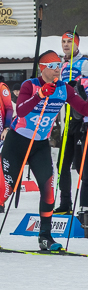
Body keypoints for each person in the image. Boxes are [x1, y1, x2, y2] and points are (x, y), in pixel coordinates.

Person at [0, 51, 88, 250]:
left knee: (48, 190)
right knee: (6, 190)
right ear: (43, 68)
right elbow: (21, 110)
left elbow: (83, 108)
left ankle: (45, 236)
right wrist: (40, 95)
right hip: (17, 143)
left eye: (59, 64)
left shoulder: (64, 89)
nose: (58, 69)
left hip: (40, 145)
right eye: (53, 65)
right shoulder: (30, 85)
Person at [56, 30, 87, 216]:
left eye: (70, 42)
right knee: (62, 164)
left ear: (77, 44)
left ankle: (84, 204)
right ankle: (65, 202)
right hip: (67, 120)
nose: (66, 45)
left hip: (81, 121)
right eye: (64, 42)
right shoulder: (62, 64)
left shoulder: (84, 63)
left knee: (81, 164)